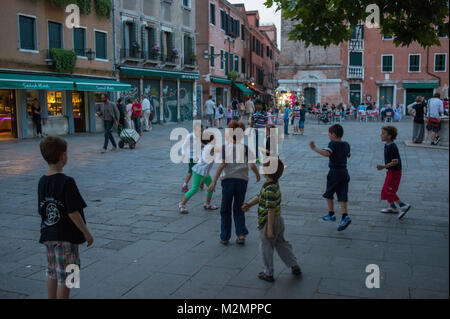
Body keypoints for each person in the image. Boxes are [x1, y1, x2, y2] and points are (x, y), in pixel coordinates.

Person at [38, 136, 94, 299]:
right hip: (67, 238)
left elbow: (42, 209)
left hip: (49, 235)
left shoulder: (42, 181)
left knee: (52, 271)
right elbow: (73, 212)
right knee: (69, 277)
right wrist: (86, 233)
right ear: (63, 156)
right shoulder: (67, 182)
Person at [242, 158, 302, 282]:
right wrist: (248, 204)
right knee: (281, 243)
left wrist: (269, 229)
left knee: (266, 246)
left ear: (267, 172)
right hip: (279, 220)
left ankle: (268, 273)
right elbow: (260, 197)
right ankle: (294, 265)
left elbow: (270, 209)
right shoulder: (272, 184)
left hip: (269, 221)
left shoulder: (269, 188)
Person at [207, 120, 260, 245]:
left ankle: (225, 236)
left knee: (225, 208)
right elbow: (252, 164)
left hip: (228, 180)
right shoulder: (246, 148)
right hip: (242, 180)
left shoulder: (226, 148)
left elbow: (222, 165)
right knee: (239, 207)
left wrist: (213, 181)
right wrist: (257, 174)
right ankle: (241, 234)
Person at [309, 124, 352, 231]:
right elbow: (348, 155)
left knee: (329, 193)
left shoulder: (332, 144)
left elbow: (327, 153)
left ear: (333, 134)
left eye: (329, 134)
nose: (328, 136)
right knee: (342, 194)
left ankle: (331, 213)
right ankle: (344, 215)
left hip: (334, 172)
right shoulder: (346, 144)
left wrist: (314, 148)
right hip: (344, 172)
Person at [178, 133, 220, 214]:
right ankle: (182, 204)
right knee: (195, 189)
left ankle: (207, 204)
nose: (215, 140)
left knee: (211, 186)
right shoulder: (210, 147)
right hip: (199, 171)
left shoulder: (207, 146)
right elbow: (221, 149)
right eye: (214, 139)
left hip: (204, 172)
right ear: (210, 140)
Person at [377, 126, 411, 219]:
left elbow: (395, 161)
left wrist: (383, 166)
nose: (381, 135)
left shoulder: (392, 146)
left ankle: (403, 205)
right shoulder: (387, 144)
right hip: (391, 171)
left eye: (383, 133)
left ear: (389, 136)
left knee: (389, 190)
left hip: (395, 172)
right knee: (385, 189)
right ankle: (393, 207)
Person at [181, 121, 204, 193]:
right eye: (200, 130)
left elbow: (202, 145)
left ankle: (200, 182)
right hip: (191, 156)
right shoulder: (190, 136)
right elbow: (184, 146)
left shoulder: (201, 136)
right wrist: (183, 154)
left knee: (200, 168)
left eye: (202, 130)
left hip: (199, 156)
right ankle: (184, 185)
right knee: (191, 171)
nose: (201, 131)